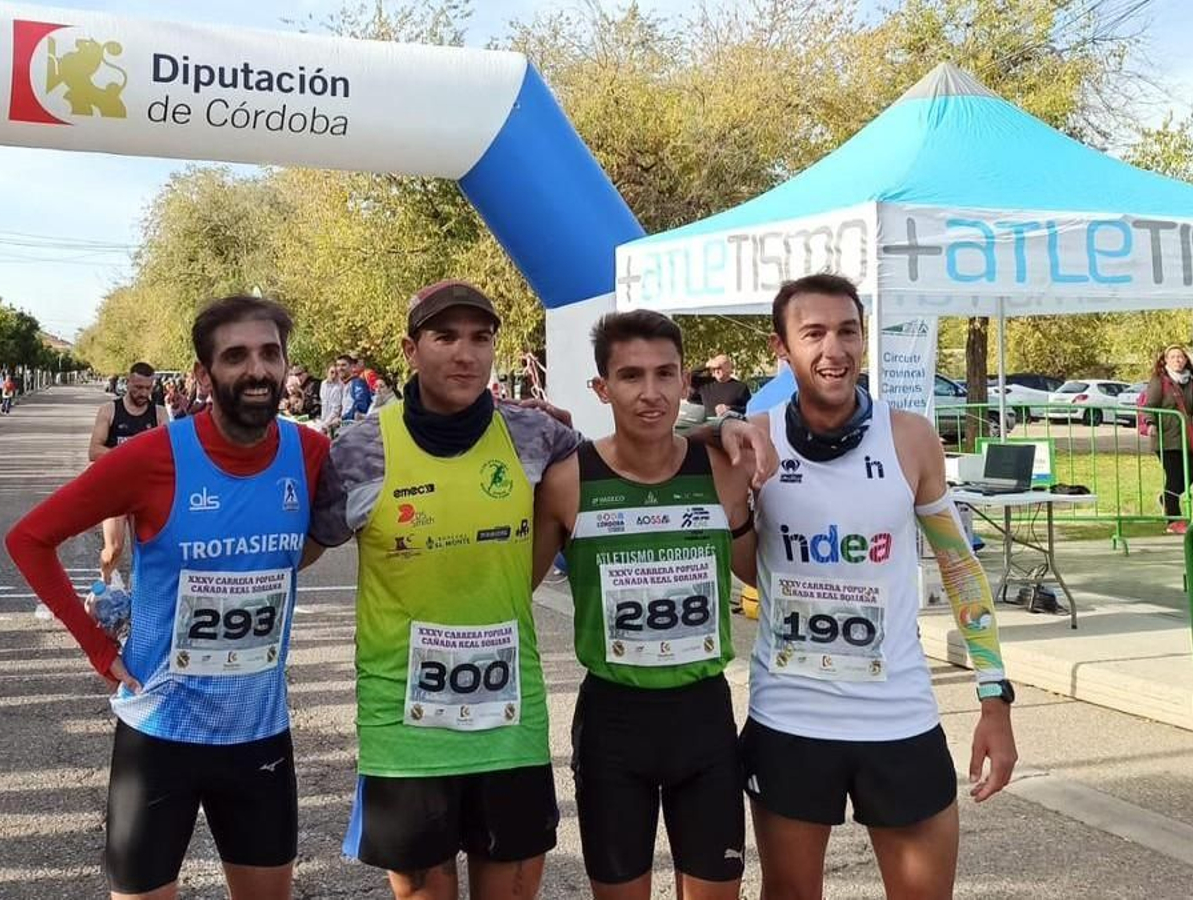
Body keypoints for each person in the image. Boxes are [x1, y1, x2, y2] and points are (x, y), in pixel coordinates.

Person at [7, 295, 331, 900]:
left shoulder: (310, 455)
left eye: (270, 353)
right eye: (235, 356)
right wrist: (97, 650)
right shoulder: (152, 457)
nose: (256, 369)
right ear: (204, 377)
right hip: (159, 732)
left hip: (257, 734)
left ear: (287, 366)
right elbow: (29, 538)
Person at [716, 273, 1016, 899]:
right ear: (782, 347)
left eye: (848, 331)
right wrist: (736, 495)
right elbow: (752, 568)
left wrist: (995, 697)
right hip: (790, 717)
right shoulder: (756, 438)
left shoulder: (910, 437)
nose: (835, 350)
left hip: (898, 717)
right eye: (814, 333)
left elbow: (960, 567)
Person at [309, 280, 582, 900]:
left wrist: (716, 437)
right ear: (410, 349)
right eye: (445, 337)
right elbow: (290, 551)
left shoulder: (538, 437)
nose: (466, 354)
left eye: (481, 338)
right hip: (405, 729)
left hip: (510, 718)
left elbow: (636, 464)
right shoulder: (359, 451)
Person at [530, 310, 757, 900]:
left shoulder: (724, 472)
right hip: (614, 721)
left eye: (666, 374)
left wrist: (732, 431)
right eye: (631, 376)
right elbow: (508, 593)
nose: (650, 393)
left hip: (702, 715)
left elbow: (762, 572)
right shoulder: (566, 481)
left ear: (688, 383)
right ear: (601, 388)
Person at [90, 362, 161, 584]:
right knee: (114, 548)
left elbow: (166, 452)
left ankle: (140, 595)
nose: (143, 393)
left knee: (145, 549)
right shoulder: (110, 410)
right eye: (138, 387)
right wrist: (130, 457)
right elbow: (94, 451)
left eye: (148, 388)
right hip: (116, 490)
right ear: (128, 382)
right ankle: (104, 583)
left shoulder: (159, 414)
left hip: (145, 492)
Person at [1144, 346, 1193, 534]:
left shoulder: (1192, 381)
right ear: (1165, 360)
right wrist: (1151, 423)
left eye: (1180, 357)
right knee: (1174, 477)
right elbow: (1149, 405)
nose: (1177, 360)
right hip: (1167, 438)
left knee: (1191, 474)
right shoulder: (1160, 381)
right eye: (1173, 357)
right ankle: (1173, 520)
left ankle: (1166, 499)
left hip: (1188, 437)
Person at [340, 354, 373, 423]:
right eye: (338, 365)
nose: (340, 368)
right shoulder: (345, 384)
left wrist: (343, 418)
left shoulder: (358, 383)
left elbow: (360, 407)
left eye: (344, 365)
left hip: (354, 425)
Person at [320, 359, 349, 431]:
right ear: (327, 372)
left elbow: (336, 409)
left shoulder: (340, 386)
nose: (334, 375)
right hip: (323, 420)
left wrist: (325, 424)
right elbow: (323, 403)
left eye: (336, 373)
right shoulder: (323, 384)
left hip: (333, 423)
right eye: (332, 372)